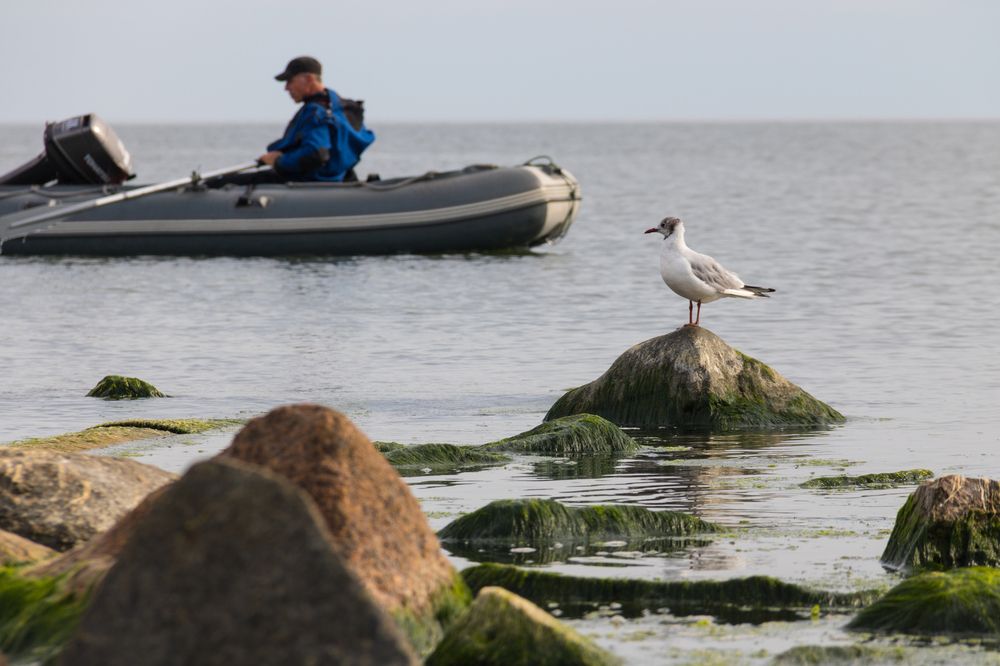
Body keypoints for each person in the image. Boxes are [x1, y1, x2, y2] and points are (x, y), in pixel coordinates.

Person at [218, 56, 375, 186]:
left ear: (308, 79)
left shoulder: (317, 112)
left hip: (310, 181)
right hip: (335, 179)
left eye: (290, 81)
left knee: (220, 183)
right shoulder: (342, 108)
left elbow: (316, 154)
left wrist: (278, 161)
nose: (286, 88)